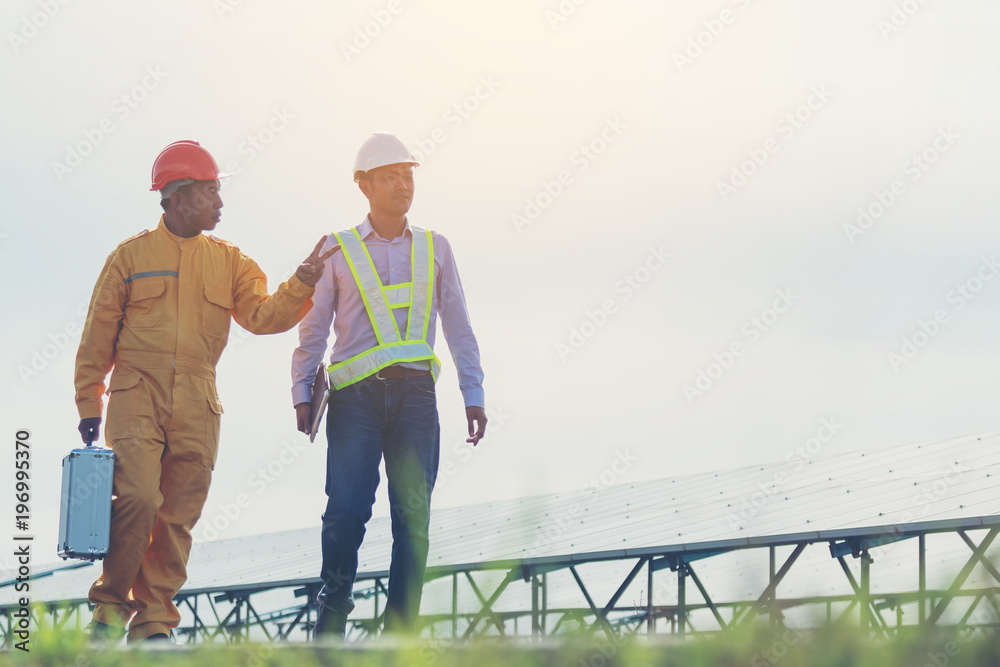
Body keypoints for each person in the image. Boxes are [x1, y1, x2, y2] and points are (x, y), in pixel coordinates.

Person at [74, 140, 335, 643]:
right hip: (135, 395)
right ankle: (109, 611)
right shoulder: (128, 258)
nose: (220, 202)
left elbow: (262, 316)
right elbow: (97, 334)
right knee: (137, 497)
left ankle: (153, 622)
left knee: (177, 518)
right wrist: (90, 398)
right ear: (178, 195)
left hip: (198, 400)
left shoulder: (231, 262)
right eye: (211, 192)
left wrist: (302, 282)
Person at [291, 132, 487, 638]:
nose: (403, 186)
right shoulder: (337, 250)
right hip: (355, 400)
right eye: (391, 177)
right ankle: (332, 614)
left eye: (408, 176)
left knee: (413, 517)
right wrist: (302, 391)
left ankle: (401, 630)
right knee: (346, 513)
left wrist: (473, 392)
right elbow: (313, 329)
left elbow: (459, 326)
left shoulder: (435, 247)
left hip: (418, 398)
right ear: (364, 185)